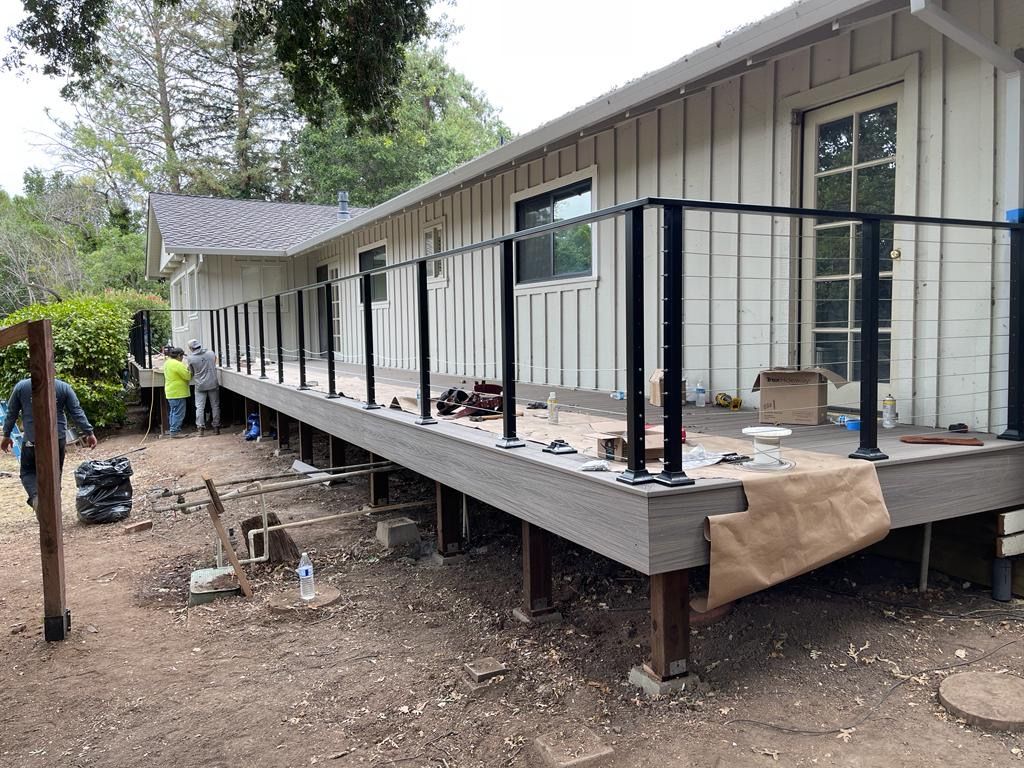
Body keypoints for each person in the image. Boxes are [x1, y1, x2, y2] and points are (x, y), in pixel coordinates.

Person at [1, 376, 97, 509]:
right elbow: (76, 412)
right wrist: (89, 433)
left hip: (32, 439)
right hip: (57, 438)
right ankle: (53, 506)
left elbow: (11, 413)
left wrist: (6, 435)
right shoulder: (63, 387)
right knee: (55, 472)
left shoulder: (21, 387)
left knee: (28, 472)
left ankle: (36, 498)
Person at [186, 338, 220, 436]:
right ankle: (216, 428)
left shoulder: (190, 358)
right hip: (213, 383)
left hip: (200, 385)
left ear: (191, 348)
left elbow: (191, 373)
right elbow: (215, 361)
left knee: (200, 407)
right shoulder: (211, 353)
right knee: (215, 406)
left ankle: (200, 429)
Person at [163, 347, 192, 438]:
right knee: (179, 413)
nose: (183, 358)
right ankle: (175, 432)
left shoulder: (167, 362)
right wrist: (191, 370)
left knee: (173, 412)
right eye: (182, 356)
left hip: (170, 391)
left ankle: (173, 430)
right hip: (178, 392)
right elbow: (187, 376)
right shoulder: (178, 364)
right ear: (179, 355)